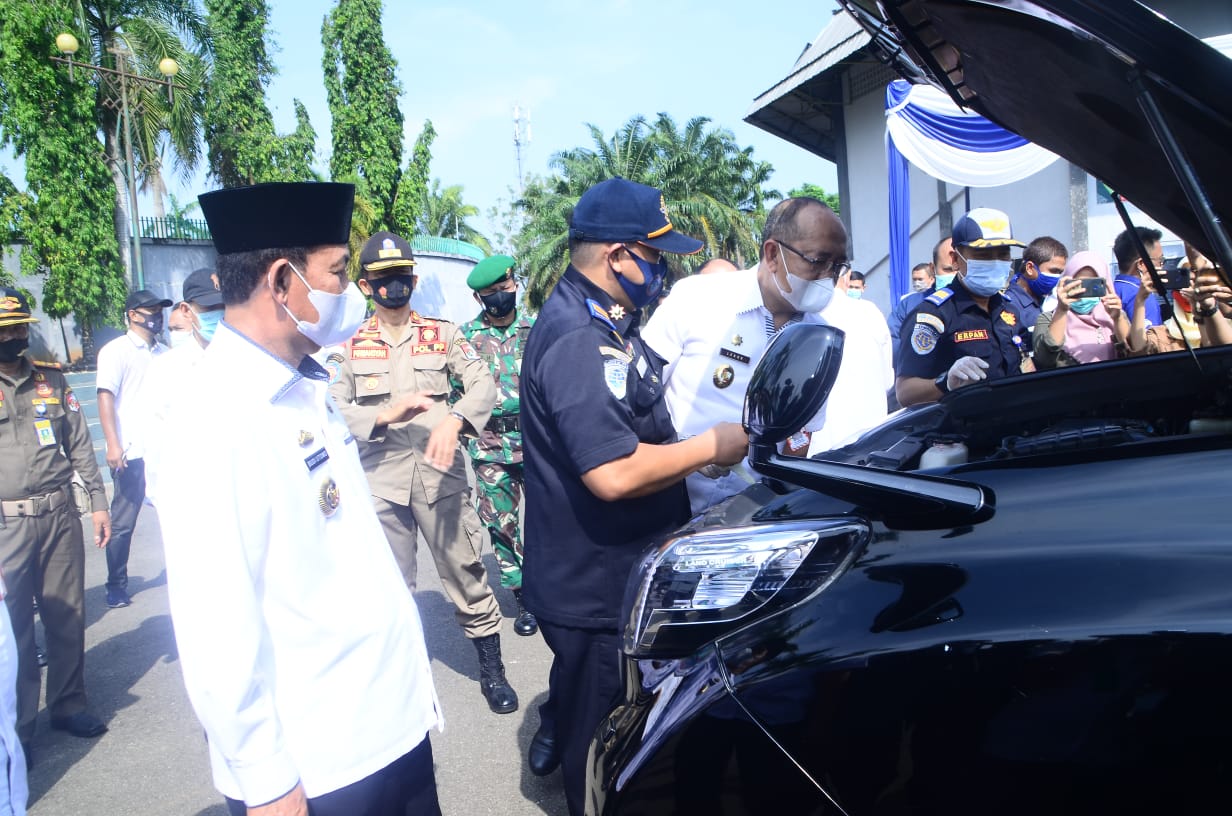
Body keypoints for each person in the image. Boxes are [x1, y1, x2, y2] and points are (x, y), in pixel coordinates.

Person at [155, 182, 443, 815]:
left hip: (389, 729)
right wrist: (265, 780)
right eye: (338, 272)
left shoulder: (306, 384)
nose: (354, 291)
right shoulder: (213, 417)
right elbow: (213, 621)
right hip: (320, 766)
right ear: (282, 282)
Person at [521, 177, 749, 814]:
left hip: (618, 576)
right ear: (617, 256)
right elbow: (613, 473)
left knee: (630, 743)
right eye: (654, 256)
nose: (662, 268)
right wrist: (712, 447)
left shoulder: (609, 323)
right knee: (602, 759)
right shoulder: (576, 337)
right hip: (595, 590)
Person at [328, 231, 517, 716]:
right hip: (381, 483)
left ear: (413, 279)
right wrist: (384, 415)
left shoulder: (444, 332)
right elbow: (329, 407)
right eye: (384, 279)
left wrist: (455, 419)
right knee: (389, 586)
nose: (396, 286)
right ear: (367, 286)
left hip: (441, 475)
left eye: (402, 277)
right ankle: (400, 680)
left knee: (467, 572)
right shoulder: (348, 345)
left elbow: (482, 384)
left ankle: (492, 671)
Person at [643, 197, 881, 510]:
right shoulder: (697, 300)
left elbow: (802, 435)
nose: (828, 276)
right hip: (670, 503)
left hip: (751, 517)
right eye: (818, 261)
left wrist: (778, 492)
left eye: (837, 266)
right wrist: (689, 452)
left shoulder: (821, 336)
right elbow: (642, 400)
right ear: (772, 254)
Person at [0, 288, 111, 766]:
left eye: (20, 327)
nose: (14, 336)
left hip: (59, 514)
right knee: (16, 629)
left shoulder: (50, 380)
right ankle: (20, 726)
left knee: (67, 614)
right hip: (7, 524)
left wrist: (99, 500)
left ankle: (67, 704)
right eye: (5, 330)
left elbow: (79, 440)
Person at [459, 254, 537, 637]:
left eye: (504, 289)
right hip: (489, 446)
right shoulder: (464, 339)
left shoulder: (537, 330)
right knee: (502, 525)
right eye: (491, 293)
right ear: (479, 300)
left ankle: (549, 587)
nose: (500, 297)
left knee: (548, 520)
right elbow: (452, 394)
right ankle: (524, 597)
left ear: (515, 285)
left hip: (538, 444)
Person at [896, 208, 1029, 406]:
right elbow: (905, 393)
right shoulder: (933, 314)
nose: (995, 262)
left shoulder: (1009, 310)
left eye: (1003, 254)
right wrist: (946, 382)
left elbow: (1024, 365)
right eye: (983, 254)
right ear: (956, 259)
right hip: (963, 431)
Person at [95, 288, 170, 609]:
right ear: (132, 315)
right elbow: (105, 397)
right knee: (123, 522)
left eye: (159, 310)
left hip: (163, 452)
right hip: (131, 451)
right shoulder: (116, 351)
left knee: (174, 515)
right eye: (149, 310)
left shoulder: (163, 352)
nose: (156, 316)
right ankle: (116, 584)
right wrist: (113, 444)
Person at [145, 267, 226, 498]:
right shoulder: (166, 370)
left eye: (224, 307)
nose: (219, 314)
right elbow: (156, 444)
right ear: (187, 310)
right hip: (192, 494)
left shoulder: (252, 361)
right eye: (210, 308)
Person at [1033, 250, 1132, 369]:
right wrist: (1061, 310)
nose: (1084, 292)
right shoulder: (1048, 319)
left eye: (1092, 285)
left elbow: (1133, 353)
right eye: (1078, 285)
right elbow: (1044, 360)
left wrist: (1117, 318)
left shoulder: (1115, 316)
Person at [888, 237, 955, 351]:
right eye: (948, 270)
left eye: (961, 269)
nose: (955, 275)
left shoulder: (985, 304)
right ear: (933, 269)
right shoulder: (909, 305)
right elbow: (892, 341)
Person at [1002, 235, 1067, 342]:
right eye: (1053, 271)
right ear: (1030, 268)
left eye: (1060, 273)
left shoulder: (1050, 302)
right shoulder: (1010, 306)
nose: (1056, 277)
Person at [1113, 226, 1164, 326]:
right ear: (1141, 264)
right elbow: (1150, 339)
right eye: (1160, 260)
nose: (1162, 266)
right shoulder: (1142, 296)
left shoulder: (1110, 291)